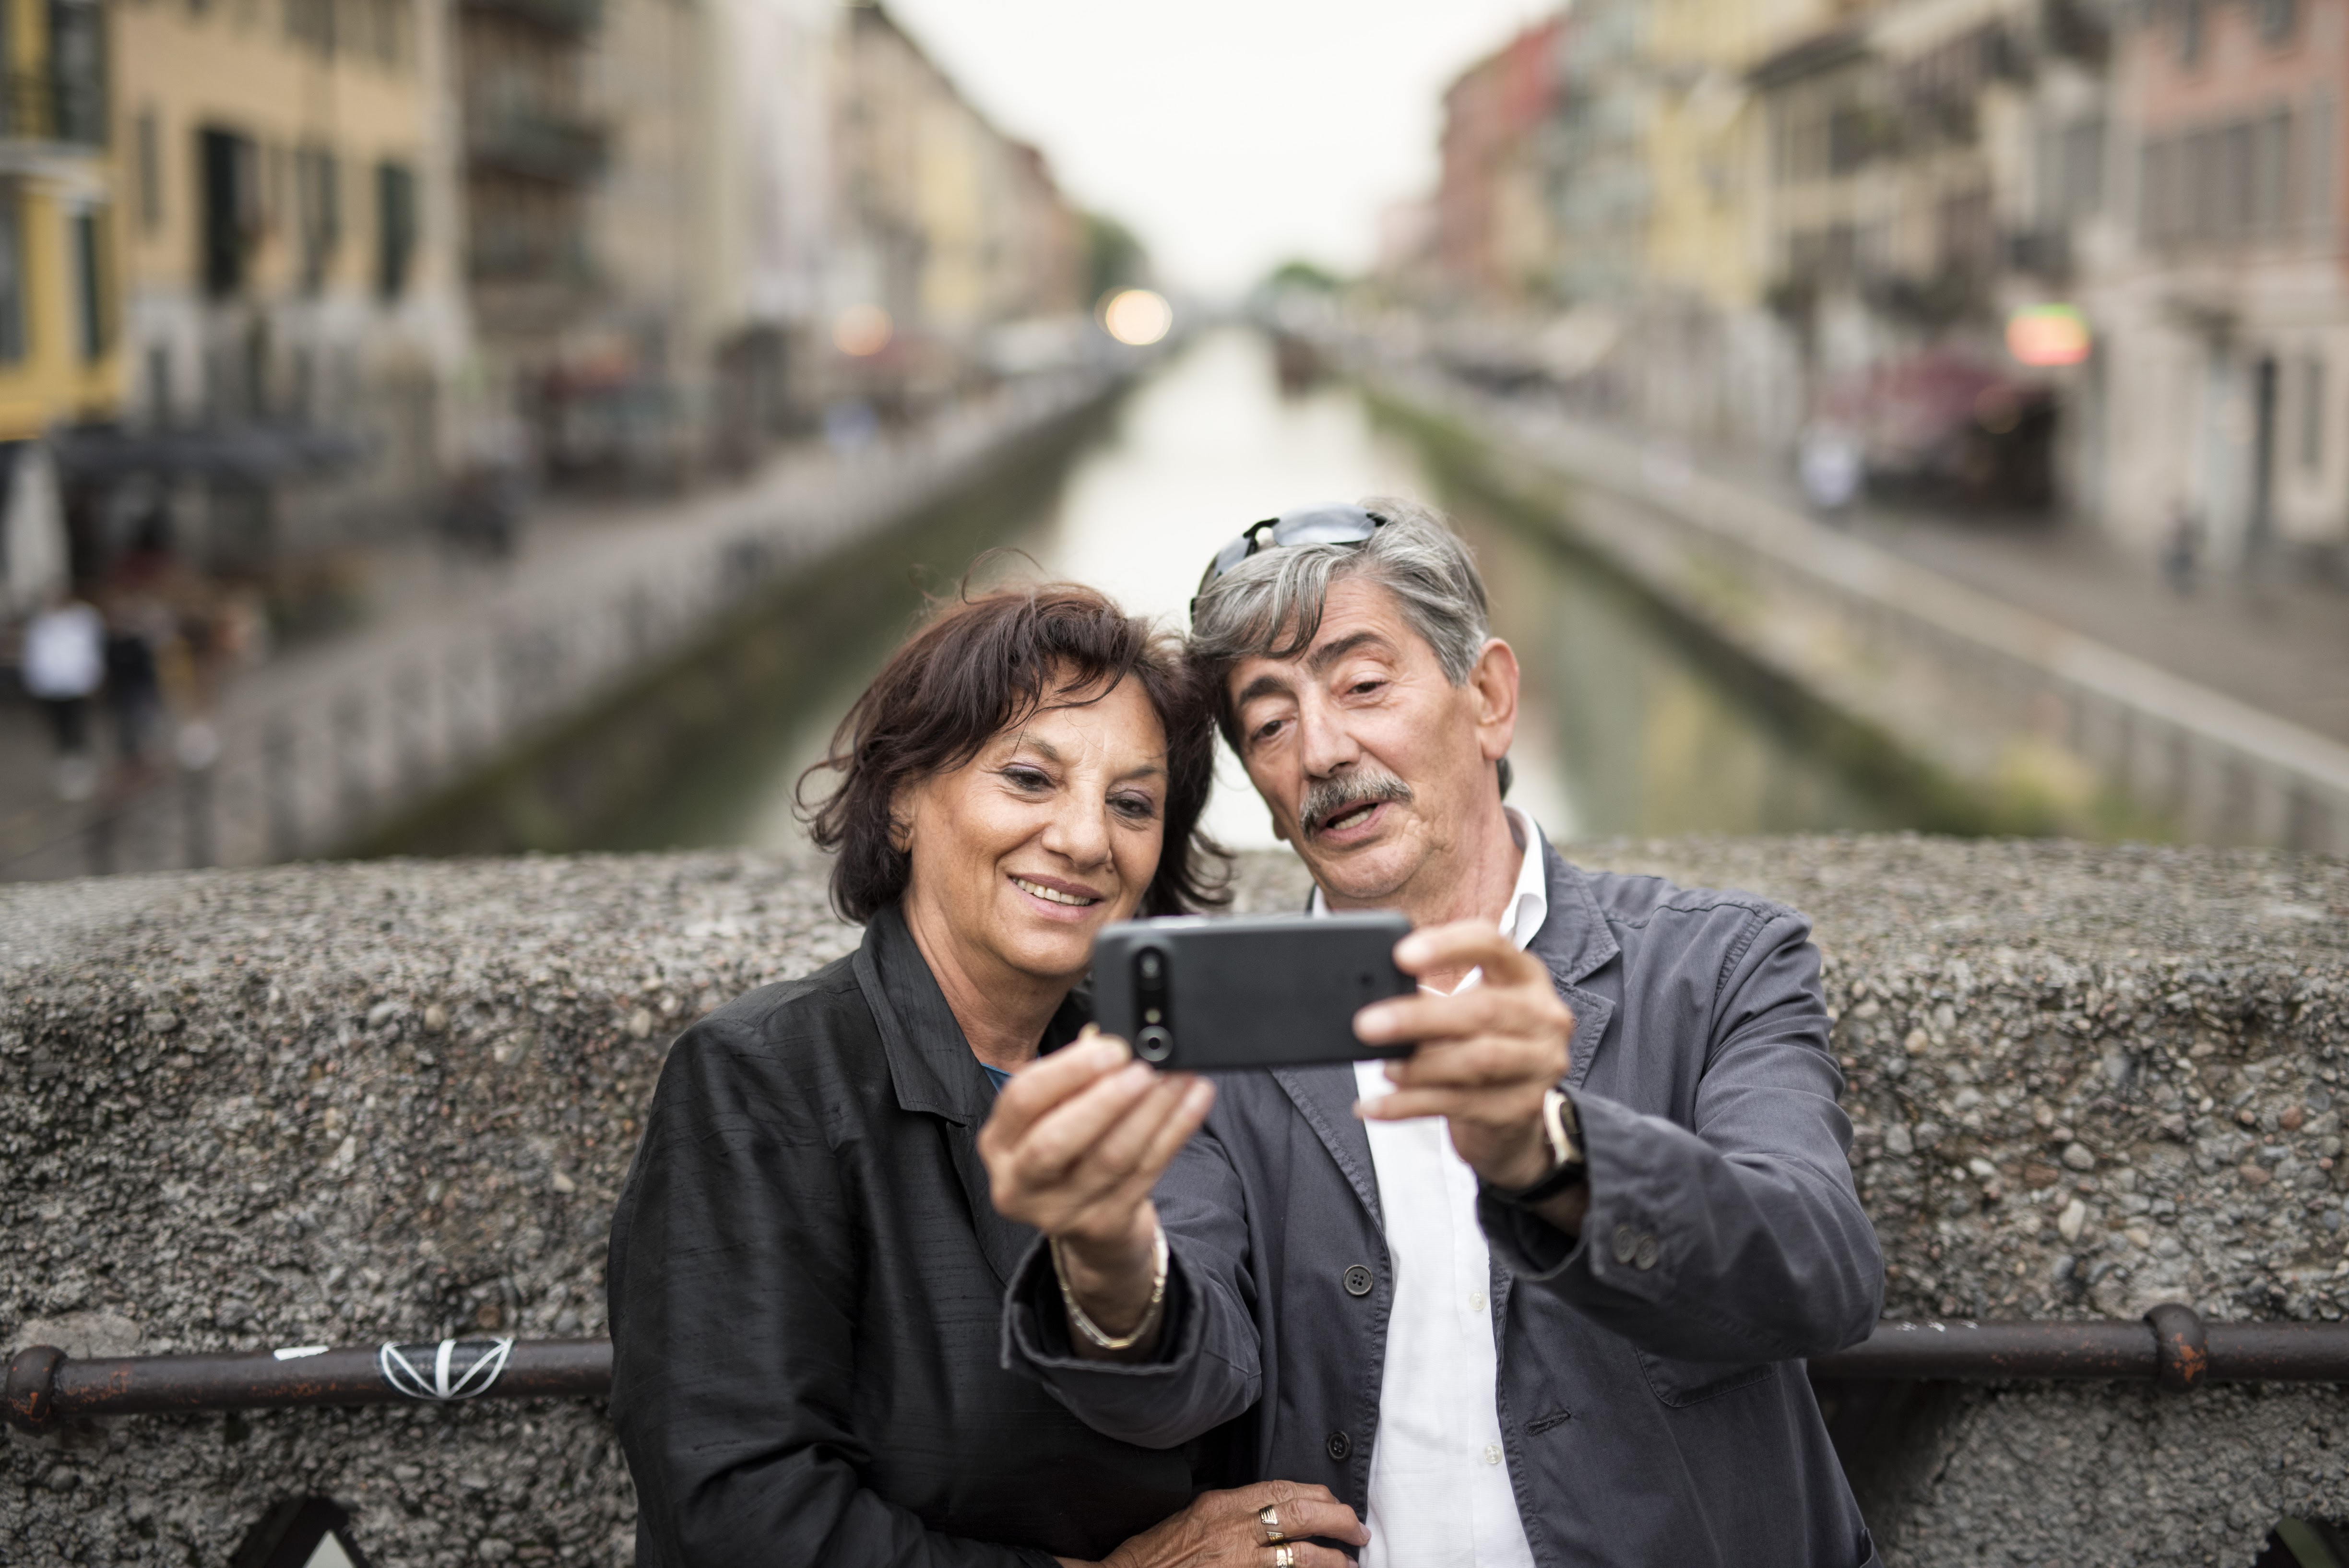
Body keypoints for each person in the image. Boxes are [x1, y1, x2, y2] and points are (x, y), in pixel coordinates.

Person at [983, 502, 1886, 1567]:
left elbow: (1819, 1274)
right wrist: (1102, 1252)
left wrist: (1553, 1153)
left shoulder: (1720, 962)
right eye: (1269, 723)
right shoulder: (1215, 1030)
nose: (1321, 749)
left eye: (1364, 685)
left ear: (1491, 696)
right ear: (1262, 798)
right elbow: (1179, 1388)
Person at [606, 583, 1369, 1568]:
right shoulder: (762, 1078)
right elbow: (738, 1512)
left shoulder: (1155, 1074)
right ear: (903, 799)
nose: (1087, 838)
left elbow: (1211, 1371)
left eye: (1131, 802)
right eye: (1029, 777)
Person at [20, 584, 105, 800]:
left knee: (76, 726)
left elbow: (90, 649)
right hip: (51, 686)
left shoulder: (82, 618)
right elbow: (35, 653)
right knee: (59, 728)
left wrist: (92, 677)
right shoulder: (42, 621)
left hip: (75, 684)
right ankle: (66, 768)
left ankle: (80, 769)